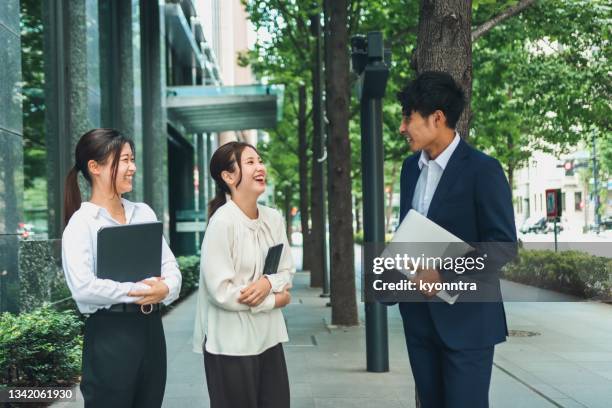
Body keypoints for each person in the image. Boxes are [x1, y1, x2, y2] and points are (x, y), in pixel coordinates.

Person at [395, 71, 517, 408]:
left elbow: (503, 246)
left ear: (437, 118)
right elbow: (412, 235)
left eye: (409, 117)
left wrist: (443, 274)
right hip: (419, 321)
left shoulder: (484, 170)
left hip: (468, 324)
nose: (402, 127)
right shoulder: (410, 169)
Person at [61, 128, 182, 408]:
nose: (133, 167)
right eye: (124, 160)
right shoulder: (82, 223)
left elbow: (170, 266)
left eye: (133, 159)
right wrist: (140, 290)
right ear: (95, 167)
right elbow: (84, 287)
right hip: (109, 335)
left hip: (151, 331)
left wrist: (167, 287)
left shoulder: (144, 212)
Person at [193, 141, 294, 408]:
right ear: (228, 176)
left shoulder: (273, 219)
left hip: (269, 339)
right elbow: (221, 292)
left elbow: (286, 270)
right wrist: (274, 300)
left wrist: (266, 282)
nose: (260, 167)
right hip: (231, 346)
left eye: (259, 161)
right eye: (250, 162)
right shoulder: (222, 223)